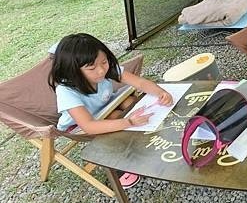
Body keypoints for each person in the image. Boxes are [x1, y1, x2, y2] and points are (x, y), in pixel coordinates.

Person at [49, 33, 174, 188]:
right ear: (72, 70)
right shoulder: (66, 91)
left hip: (106, 105)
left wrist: (160, 92)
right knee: (118, 118)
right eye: (92, 68)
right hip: (80, 124)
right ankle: (120, 164)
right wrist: (128, 122)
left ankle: (147, 137)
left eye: (104, 62)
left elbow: (140, 83)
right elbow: (88, 126)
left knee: (131, 102)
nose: (101, 70)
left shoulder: (106, 69)